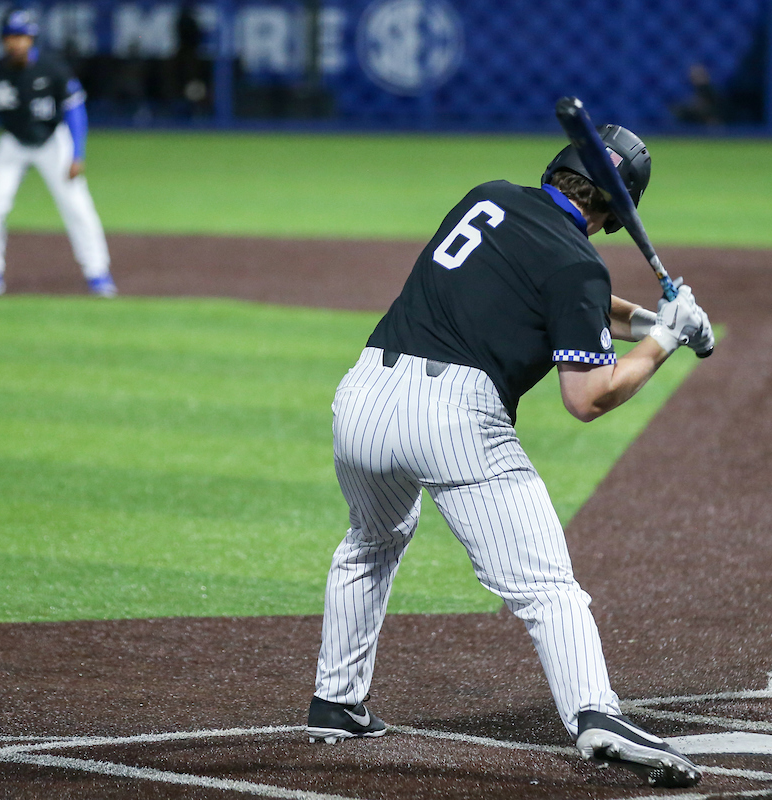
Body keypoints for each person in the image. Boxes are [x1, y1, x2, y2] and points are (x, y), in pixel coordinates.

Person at [305, 125, 714, 790]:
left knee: (372, 539)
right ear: (617, 210)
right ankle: (595, 713)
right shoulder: (580, 265)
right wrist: (665, 340)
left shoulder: (487, 197)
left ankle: (336, 702)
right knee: (547, 588)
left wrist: (646, 322)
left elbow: (558, 299)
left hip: (362, 400)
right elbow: (588, 396)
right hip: (454, 419)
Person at [0, 8, 115, 297]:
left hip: (52, 142)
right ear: (3, 40)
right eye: (12, 36)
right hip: (13, 144)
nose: (17, 43)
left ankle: (98, 273)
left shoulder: (52, 69)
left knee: (77, 206)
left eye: (23, 37)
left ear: (32, 39)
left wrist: (77, 154)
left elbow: (75, 110)